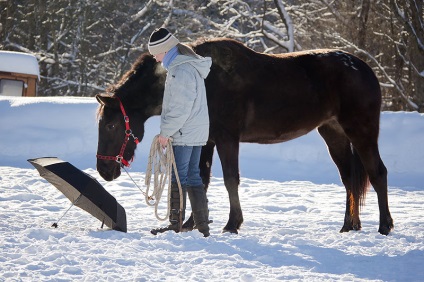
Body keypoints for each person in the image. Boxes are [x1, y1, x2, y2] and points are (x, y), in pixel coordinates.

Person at [147, 27, 212, 237]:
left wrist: (165, 132)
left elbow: (180, 107)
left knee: (178, 176)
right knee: (192, 175)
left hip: (183, 132)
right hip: (195, 131)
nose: (156, 59)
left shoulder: (180, 70)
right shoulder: (186, 66)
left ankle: (176, 224)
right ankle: (202, 226)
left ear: (165, 50)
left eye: (155, 54)